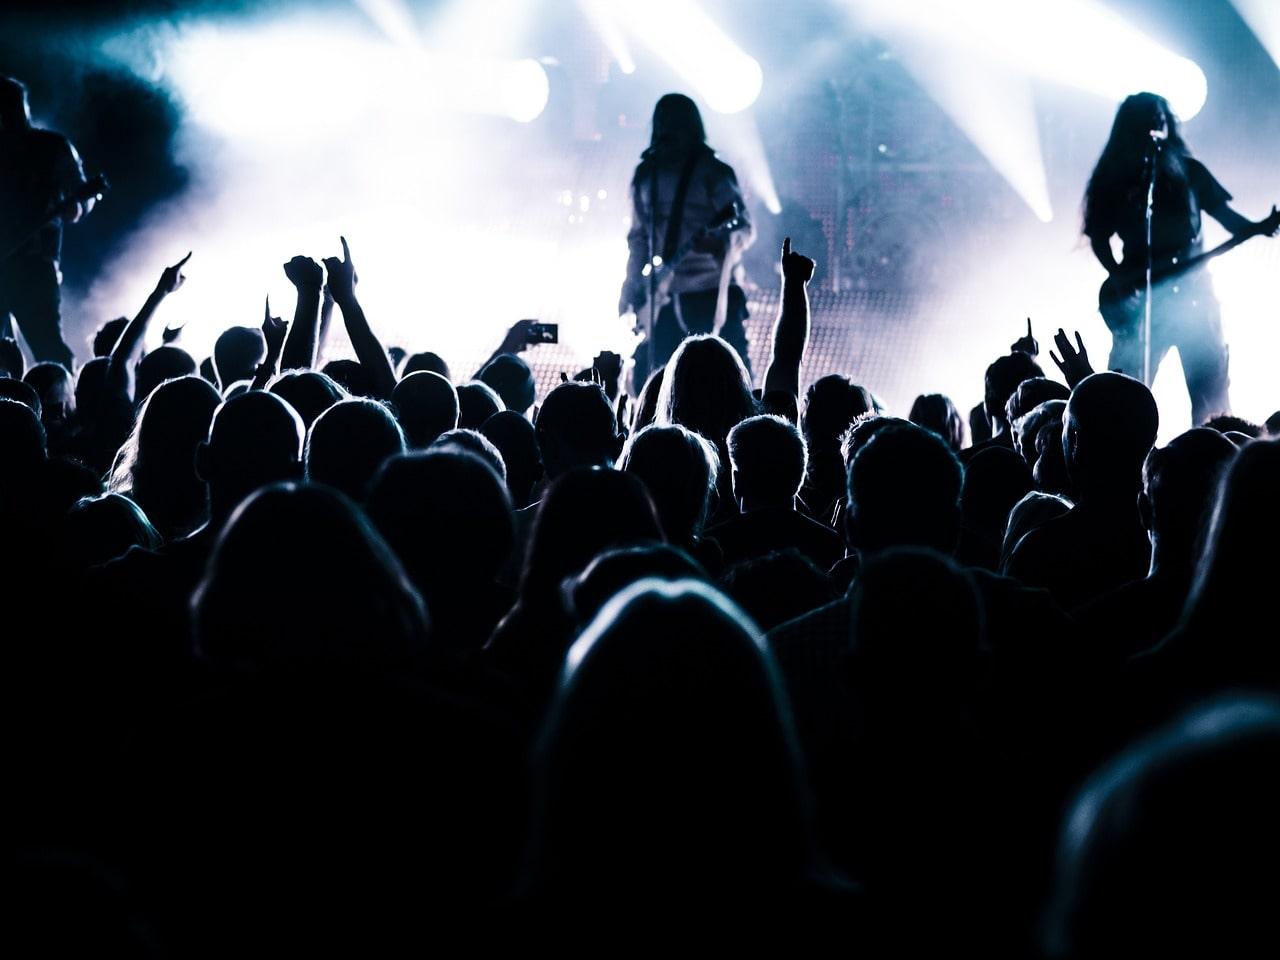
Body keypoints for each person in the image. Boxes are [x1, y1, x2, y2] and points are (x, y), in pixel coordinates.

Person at [1083, 92, 1279, 425]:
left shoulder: (1189, 172)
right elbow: (1098, 236)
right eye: (1149, 121)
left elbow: (1227, 217)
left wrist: (1260, 227)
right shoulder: (1114, 178)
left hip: (1194, 301)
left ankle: (1213, 459)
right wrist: (1119, 277)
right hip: (1142, 305)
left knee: (1211, 396)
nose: (1157, 127)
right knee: (1126, 393)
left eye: (1161, 120)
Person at [619, 93, 756, 391]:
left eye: (676, 124)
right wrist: (631, 286)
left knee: (730, 378)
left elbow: (744, 228)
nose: (670, 131)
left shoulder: (714, 173)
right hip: (664, 294)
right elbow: (639, 239)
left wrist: (721, 244)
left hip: (710, 288)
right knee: (656, 380)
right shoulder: (647, 175)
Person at [0, 76, 98, 366]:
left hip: (34, 264)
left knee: (48, 348)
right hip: (23, 263)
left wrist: (73, 208)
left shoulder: (52, 147)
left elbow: (82, 200)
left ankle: (61, 407)